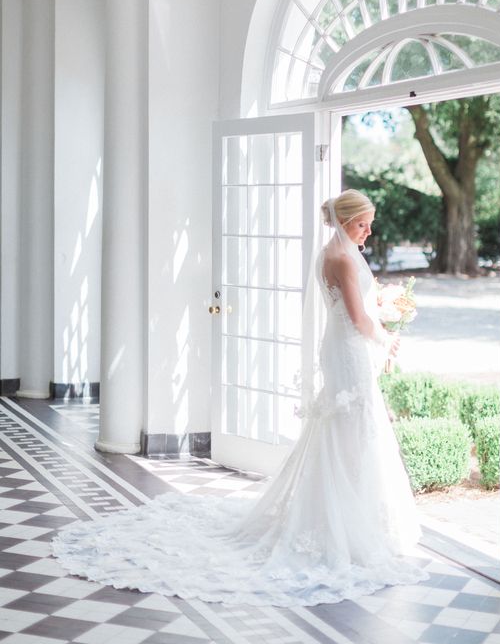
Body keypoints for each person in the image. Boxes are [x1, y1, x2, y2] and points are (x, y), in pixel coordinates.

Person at [52, 190, 427, 606]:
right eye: (362, 224)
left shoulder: (336, 252)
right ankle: (342, 523)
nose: (368, 231)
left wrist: (385, 305)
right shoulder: (339, 257)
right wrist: (386, 336)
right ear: (343, 222)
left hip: (346, 346)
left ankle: (351, 513)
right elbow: (358, 317)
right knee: (353, 427)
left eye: (370, 223)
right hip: (350, 347)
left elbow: (361, 307)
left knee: (351, 429)